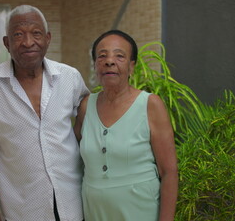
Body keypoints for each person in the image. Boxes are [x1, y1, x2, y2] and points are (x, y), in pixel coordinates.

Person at [0, 5, 89, 221]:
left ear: (48, 38)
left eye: (36, 33)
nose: (28, 42)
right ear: (6, 43)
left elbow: (89, 126)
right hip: (23, 209)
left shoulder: (70, 77)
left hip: (74, 202)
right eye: (18, 35)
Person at [74, 30, 178, 221]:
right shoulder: (85, 106)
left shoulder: (150, 105)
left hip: (140, 211)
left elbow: (169, 172)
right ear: (96, 65)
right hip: (95, 213)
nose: (109, 61)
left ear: (132, 67)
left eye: (119, 56)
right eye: (102, 56)